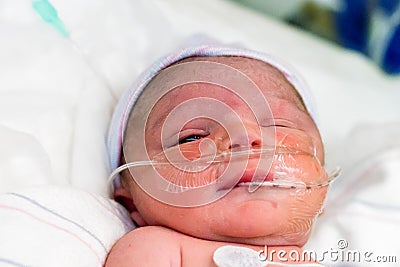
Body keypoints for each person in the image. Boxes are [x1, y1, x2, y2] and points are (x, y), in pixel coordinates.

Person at [104, 42, 334, 266]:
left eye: (280, 126)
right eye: (192, 138)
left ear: (322, 192)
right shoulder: (155, 249)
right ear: (131, 202)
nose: (245, 137)